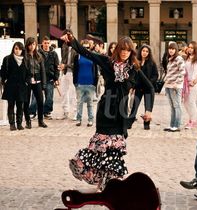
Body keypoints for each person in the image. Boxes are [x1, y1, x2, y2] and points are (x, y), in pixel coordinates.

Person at [60, 33, 155, 191]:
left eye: (128, 50)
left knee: (114, 151)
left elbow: (149, 88)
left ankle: (108, 184)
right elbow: (87, 53)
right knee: (101, 150)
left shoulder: (134, 69)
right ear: (117, 50)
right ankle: (101, 182)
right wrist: (72, 42)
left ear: (132, 52)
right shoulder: (106, 62)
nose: (125, 53)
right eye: (122, 49)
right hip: (105, 111)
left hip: (121, 114)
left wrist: (149, 110)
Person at [1, 42, 31, 131]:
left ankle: (19, 124)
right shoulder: (7, 59)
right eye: (16, 48)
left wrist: (27, 82)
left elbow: (29, 73)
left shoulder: (26, 59)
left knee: (20, 106)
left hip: (22, 87)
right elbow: (2, 71)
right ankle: (12, 124)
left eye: (20, 49)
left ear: (23, 50)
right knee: (11, 105)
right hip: (11, 86)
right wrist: (4, 80)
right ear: (13, 49)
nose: (18, 51)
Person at [129, 44, 158, 130]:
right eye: (143, 51)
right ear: (140, 51)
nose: (144, 53)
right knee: (134, 106)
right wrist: (133, 86)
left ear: (149, 53)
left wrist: (149, 83)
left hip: (148, 89)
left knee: (148, 107)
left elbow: (155, 75)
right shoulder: (136, 62)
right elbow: (133, 76)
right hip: (138, 88)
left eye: (147, 51)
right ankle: (129, 123)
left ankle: (146, 124)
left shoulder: (152, 63)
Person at [73, 39, 99, 127]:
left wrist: (95, 83)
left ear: (90, 47)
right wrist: (75, 82)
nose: (86, 49)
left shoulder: (93, 56)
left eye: (87, 47)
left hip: (90, 83)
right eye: (84, 47)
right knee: (79, 103)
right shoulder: (77, 57)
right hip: (80, 83)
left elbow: (96, 70)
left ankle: (90, 120)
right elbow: (75, 70)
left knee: (90, 103)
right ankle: (78, 119)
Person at [23, 37, 47, 128]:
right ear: (27, 45)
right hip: (27, 81)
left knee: (40, 101)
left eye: (33, 44)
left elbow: (43, 71)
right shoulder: (24, 56)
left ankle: (40, 121)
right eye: (30, 44)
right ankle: (28, 122)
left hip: (37, 81)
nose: (32, 46)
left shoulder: (39, 56)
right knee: (26, 102)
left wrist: (44, 84)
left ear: (36, 45)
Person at [163, 42, 185, 132]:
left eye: (173, 49)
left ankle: (177, 125)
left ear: (176, 50)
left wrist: (177, 82)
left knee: (177, 105)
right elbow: (170, 72)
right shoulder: (170, 59)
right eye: (169, 49)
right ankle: (172, 125)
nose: (171, 50)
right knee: (172, 106)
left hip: (175, 86)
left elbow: (182, 72)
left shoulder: (179, 58)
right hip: (168, 85)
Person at [183, 41, 197, 129]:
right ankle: (191, 119)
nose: (190, 49)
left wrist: (194, 82)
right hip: (185, 84)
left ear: (195, 49)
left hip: (193, 84)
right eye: (189, 47)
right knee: (185, 102)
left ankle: (193, 121)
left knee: (191, 102)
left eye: (192, 48)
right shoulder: (186, 59)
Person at [57, 29, 77, 120]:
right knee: (64, 93)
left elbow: (76, 63)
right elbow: (63, 58)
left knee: (74, 94)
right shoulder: (64, 46)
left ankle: (76, 113)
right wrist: (61, 66)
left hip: (73, 72)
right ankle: (65, 112)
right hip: (64, 72)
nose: (65, 39)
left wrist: (66, 65)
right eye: (64, 37)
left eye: (67, 37)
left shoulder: (76, 47)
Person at [37, 36, 59, 119]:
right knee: (36, 97)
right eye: (45, 43)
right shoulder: (38, 52)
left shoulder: (54, 53)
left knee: (49, 96)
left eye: (48, 43)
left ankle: (47, 112)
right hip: (39, 77)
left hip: (50, 78)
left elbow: (57, 66)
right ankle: (32, 111)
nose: (46, 45)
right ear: (42, 43)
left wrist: (56, 78)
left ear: (50, 43)